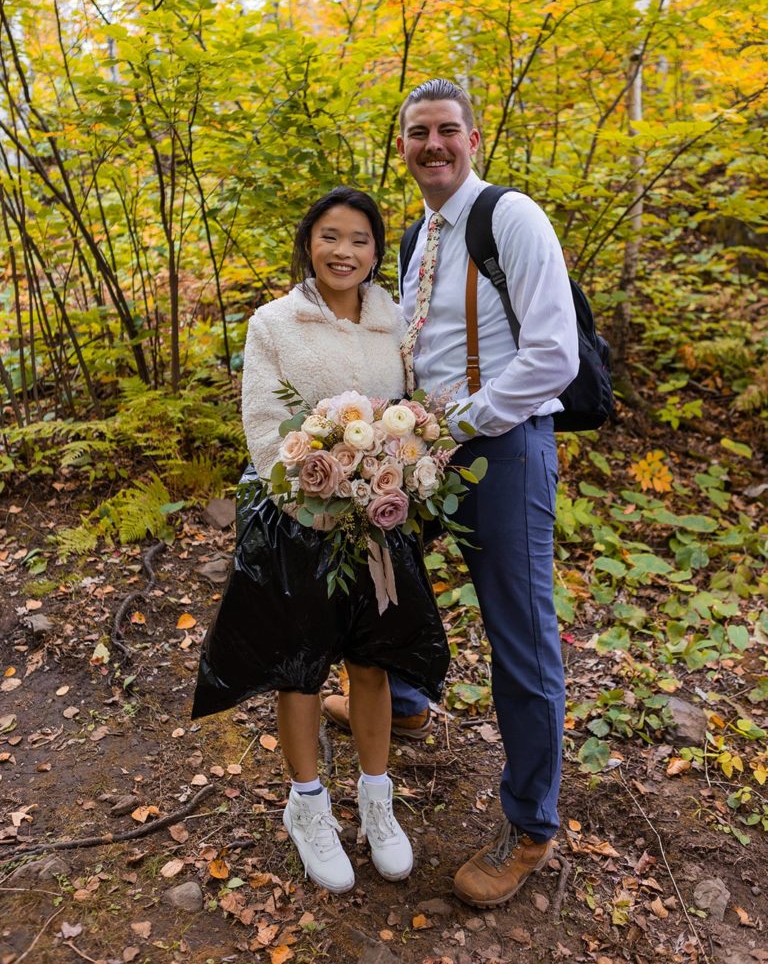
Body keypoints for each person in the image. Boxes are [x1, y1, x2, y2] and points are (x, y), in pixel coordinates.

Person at [323, 80, 579, 908]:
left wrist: (455, 424)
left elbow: (552, 356)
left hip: (501, 453)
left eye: (445, 132)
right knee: (389, 589)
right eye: (415, 134)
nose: (430, 145)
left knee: (522, 638)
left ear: (473, 139)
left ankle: (530, 826)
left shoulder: (511, 218)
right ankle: (405, 703)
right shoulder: (415, 236)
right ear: (401, 147)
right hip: (428, 453)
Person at [192, 186, 449, 895]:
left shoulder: (395, 319)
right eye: (331, 237)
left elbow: (411, 412)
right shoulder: (274, 322)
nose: (345, 252)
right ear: (310, 241)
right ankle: (306, 806)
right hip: (297, 523)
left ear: (376, 250)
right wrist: (324, 489)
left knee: (372, 661)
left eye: (361, 240)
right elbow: (262, 428)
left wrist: (397, 474)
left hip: (380, 521)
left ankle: (376, 799)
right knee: (300, 664)